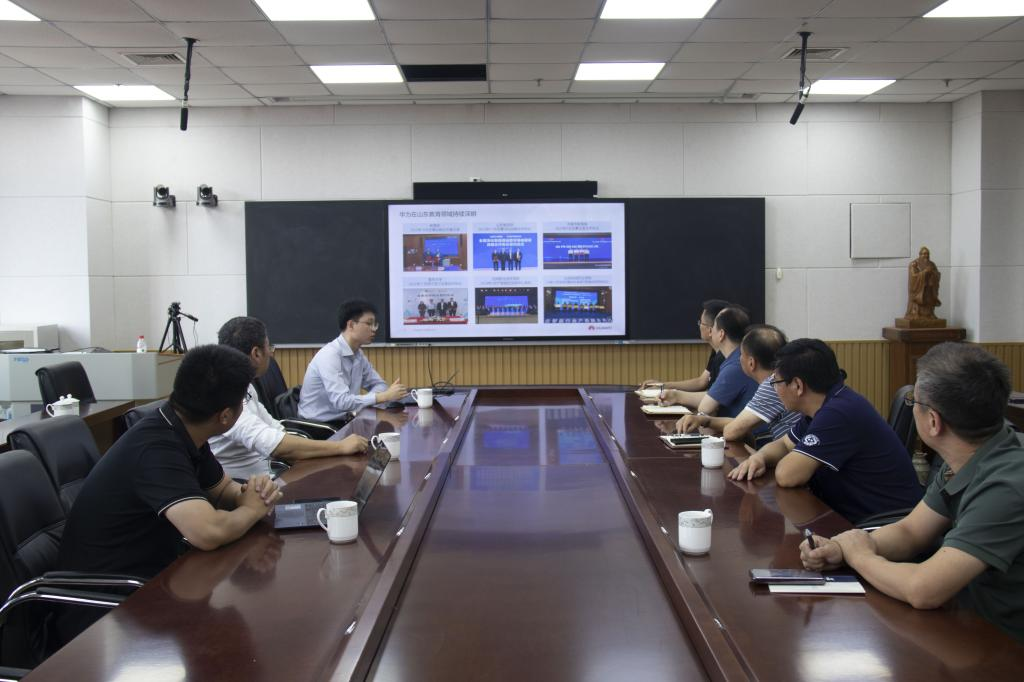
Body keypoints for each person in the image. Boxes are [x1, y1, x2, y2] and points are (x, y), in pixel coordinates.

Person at [55, 345, 284, 640]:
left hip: (155, 582)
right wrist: (252, 509)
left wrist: (251, 492)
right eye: (244, 400)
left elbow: (221, 489)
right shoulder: (155, 448)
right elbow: (208, 532)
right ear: (225, 416)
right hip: (106, 608)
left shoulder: (182, 428)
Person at [801, 343, 1024, 640]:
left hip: (1004, 644)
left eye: (913, 402)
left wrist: (861, 557)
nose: (912, 407)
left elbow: (924, 590)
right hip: (969, 621)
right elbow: (911, 531)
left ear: (933, 421)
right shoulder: (970, 453)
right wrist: (842, 548)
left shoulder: (1006, 486)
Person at [729, 338, 923, 524]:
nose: (775, 390)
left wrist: (776, 459)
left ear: (797, 386)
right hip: (849, 516)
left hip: (882, 525)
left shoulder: (838, 413)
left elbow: (787, 476)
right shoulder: (824, 405)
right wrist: (760, 457)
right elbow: (784, 444)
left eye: (776, 383)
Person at [211, 316, 368, 480]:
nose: (270, 352)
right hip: (243, 487)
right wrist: (340, 447)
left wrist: (318, 450)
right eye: (269, 347)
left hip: (267, 475)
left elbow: (276, 429)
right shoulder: (224, 397)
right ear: (256, 353)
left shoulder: (245, 385)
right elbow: (275, 445)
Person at [677, 324, 801, 446]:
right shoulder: (784, 377)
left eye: (741, 354)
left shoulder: (772, 385)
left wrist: (706, 421)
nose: (738, 358)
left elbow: (731, 431)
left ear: (751, 363)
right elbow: (739, 423)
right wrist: (705, 420)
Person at [299, 299, 407, 422]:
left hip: (345, 420)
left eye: (375, 324)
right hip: (318, 425)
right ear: (351, 325)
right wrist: (381, 397)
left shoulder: (358, 354)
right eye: (369, 323)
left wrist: (370, 400)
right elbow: (341, 402)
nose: (374, 329)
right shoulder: (330, 355)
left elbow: (380, 385)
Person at [660, 306, 758, 418]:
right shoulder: (738, 357)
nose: (711, 331)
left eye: (714, 326)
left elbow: (705, 407)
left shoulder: (735, 365)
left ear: (721, 334)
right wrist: (675, 395)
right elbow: (713, 396)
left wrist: (677, 396)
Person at [639, 299, 731, 409]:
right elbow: (701, 381)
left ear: (711, 330)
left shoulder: (726, 357)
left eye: (701, 323)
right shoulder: (716, 352)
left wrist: (676, 396)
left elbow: (714, 401)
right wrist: (663, 385)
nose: (699, 326)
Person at [905, 246, 941, 319]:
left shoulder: (932, 264)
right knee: (919, 299)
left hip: (929, 287)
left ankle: (930, 313)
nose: (926, 255)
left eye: (927, 254)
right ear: (920, 254)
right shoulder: (914, 264)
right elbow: (913, 276)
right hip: (919, 288)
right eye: (924, 254)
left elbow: (937, 274)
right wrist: (924, 272)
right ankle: (916, 313)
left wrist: (933, 273)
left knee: (929, 299)